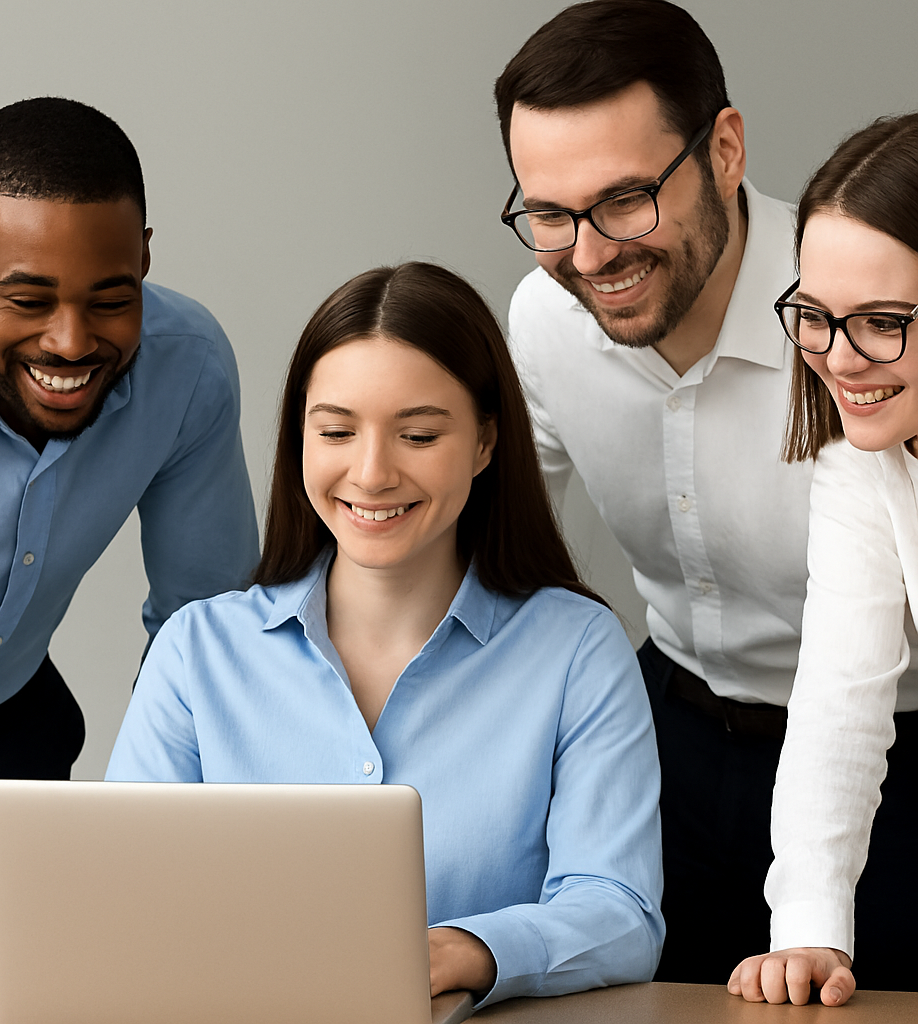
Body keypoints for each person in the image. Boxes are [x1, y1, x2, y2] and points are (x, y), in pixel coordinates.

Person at [494, 0, 918, 984]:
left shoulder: (834, 345)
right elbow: (838, 688)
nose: (589, 255)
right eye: (551, 215)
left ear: (724, 149)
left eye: (626, 198)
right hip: (677, 733)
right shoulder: (861, 440)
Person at [106, 261, 664, 1006]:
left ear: (486, 442)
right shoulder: (195, 650)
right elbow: (120, 897)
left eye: (419, 434)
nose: (371, 474)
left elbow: (619, 913)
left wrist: (470, 951)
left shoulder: (577, 650)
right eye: (336, 430)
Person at [0, 98, 258, 979]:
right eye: (28, 297)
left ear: (143, 262)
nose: (70, 340)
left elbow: (205, 629)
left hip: (10, 741)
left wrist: (160, 834)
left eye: (109, 298)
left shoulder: (188, 365)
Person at [728, 113, 918, 1006]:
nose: (839, 361)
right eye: (814, 316)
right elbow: (840, 698)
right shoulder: (864, 465)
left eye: (882, 322)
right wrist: (808, 927)